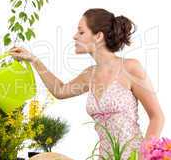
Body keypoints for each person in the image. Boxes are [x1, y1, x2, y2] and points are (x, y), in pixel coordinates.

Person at [9, 8, 165, 159]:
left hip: (133, 156)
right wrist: (33, 60)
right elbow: (60, 91)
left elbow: (157, 117)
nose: (75, 36)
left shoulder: (130, 67)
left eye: (81, 32)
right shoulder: (89, 74)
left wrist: (142, 157)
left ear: (98, 36)